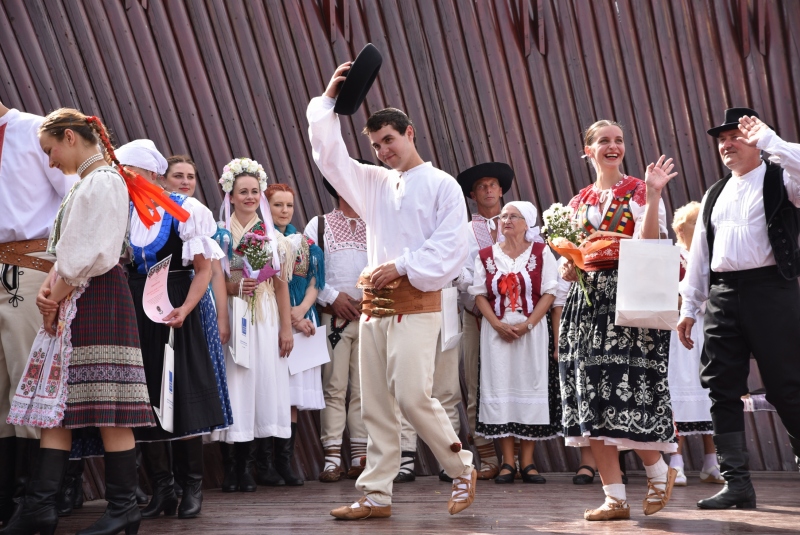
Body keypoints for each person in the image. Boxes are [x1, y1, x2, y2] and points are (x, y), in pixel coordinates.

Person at [307, 61, 476, 519]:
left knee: (410, 393)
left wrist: (400, 265)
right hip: (374, 307)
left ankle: (461, 466)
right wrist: (327, 104)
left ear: (410, 133)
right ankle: (376, 494)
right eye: (376, 144)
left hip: (418, 303)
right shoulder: (376, 182)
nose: (383, 150)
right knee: (376, 402)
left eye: (389, 140)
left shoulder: (442, 184)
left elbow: (452, 245)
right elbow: (331, 159)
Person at [3, 109, 177, 535]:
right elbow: (71, 253)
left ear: (69, 137)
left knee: (108, 402)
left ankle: (122, 508)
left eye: (50, 151)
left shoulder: (101, 181)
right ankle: (39, 507)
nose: (49, 161)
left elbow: (91, 256)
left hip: (95, 296)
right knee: (58, 406)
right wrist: (53, 289)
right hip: (80, 295)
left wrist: (52, 296)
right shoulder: (88, 182)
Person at [677, 109, 800, 510]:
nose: (727, 144)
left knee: (787, 386)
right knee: (721, 389)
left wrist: (771, 140)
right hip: (724, 295)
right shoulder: (714, 193)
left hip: (772, 291)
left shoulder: (781, 177)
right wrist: (689, 306)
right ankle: (737, 484)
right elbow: (700, 254)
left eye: (736, 136)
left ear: (757, 139)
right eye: (722, 139)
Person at [558, 119, 678, 521]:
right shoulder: (578, 201)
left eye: (619, 141)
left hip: (628, 297)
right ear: (588, 151)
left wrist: (656, 193)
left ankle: (657, 471)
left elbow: (652, 244)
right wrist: (568, 265)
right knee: (589, 394)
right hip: (586, 301)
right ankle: (615, 497)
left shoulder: (638, 190)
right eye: (604, 141)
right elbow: (573, 251)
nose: (613, 147)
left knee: (624, 389)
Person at [120, 139, 226, 520]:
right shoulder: (130, 211)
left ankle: (191, 485)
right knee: (147, 394)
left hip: (179, 299)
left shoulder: (186, 209)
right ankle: (162, 488)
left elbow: (204, 270)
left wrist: (185, 308)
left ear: (149, 175)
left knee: (181, 389)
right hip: (140, 303)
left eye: (128, 173)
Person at [0, 102, 78, 526]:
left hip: (29, 267)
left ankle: (36, 498)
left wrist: (60, 273)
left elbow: (72, 201)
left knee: (28, 383)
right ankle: (7, 496)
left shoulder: (34, 131)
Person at [212, 158, 294, 493]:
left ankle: (254, 464)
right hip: (232, 314)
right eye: (242, 191)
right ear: (230, 195)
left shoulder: (271, 236)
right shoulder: (220, 235)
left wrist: (286, 328)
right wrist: (233, 288)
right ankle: (232, 468)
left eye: (254, 191)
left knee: (261, 386)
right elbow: (215, 278)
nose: (248, 197)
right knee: (236, 386)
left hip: (265, 317)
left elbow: (281, 285)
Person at [468, 201, 558, 484]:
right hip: (496, 332)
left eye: (513, 216)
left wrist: (528, 324)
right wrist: (496, 324)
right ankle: (508, 463)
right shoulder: (485, 255)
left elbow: (550, 293)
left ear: (527, 222)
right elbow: (479, 293)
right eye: (503, 216)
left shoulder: (543, 254)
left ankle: (528, 463)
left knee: (529, 386)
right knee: (501, 388)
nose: (505, 220)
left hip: (531, 330)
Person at [304, 178, 368, 483]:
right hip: (334, 317)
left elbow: (389, 265)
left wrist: (372, 297)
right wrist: (333, 298)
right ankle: (331, 459)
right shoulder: (317, 225)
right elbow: (305, 273)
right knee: (334, 386)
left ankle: (360, 456)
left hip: (371, 318)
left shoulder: (378, 225)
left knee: (365, 389)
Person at [453, 162, 514, 481]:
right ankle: (487, 454)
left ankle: (515, 458)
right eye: (481, 186)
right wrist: (481, 300)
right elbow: (459, 272)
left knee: (516, 379)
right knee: (477, 382)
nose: (488, 190)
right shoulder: (463, 231)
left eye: (493, 185)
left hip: (519, 316)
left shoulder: (521, 224)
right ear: (472, 195)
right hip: (477, 315)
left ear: (501, 190)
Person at [262, 183, 326, 487]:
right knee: (270, 391)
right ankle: (264, 463)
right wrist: (289, 317)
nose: (284, 211)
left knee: (290, 397)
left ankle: (283, 463)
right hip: (272, 319)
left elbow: (316, 280)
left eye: (288, 205)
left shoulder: (305, 243)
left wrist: (301, 310)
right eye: (277, 205)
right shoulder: (261, 240)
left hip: (301, 319)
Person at [667, 201, 721, 487]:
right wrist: (689, 302)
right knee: (678, 389)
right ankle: (676, 459)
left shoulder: (714, 257)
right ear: (679, 228)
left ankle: (711, 461)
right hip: (678, 333)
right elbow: (662, 296)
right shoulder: (671, 256)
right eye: (696, 222)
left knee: (711, 389)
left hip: (709, 331)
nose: (703, 227)